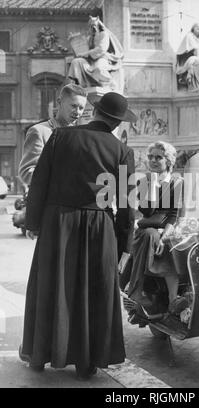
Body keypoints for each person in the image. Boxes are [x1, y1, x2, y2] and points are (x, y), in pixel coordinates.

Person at [19, 92, 136, 380]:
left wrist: (33, 223)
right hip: (100, 226)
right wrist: (124, 245)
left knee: (50, 286)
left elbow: (40, 184)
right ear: (118, 123)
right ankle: (87, 363)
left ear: (94, 111)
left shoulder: (60, 137)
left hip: (58, 223)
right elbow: (128, 205)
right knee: (92, 292)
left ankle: (38, 356)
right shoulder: (122, 151)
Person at [128, 141, 185, 313]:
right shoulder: (145, 181)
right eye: (151, 157)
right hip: (147, 230)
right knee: (151, 235)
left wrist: (165, 235)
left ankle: (174, 299)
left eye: (158, 157)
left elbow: (173, 215)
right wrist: (152, 184)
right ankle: (135, 291)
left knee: (174, 243)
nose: (153, 160)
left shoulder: (176, 182)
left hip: (167, 228)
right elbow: (147, 210)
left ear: (168, 161)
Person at [19, 83, 88, 186]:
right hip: (50, 200)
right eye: (73, 106)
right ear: (59, 102)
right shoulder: (39, 131)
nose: (77, 112)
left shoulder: (81, 135)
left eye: (81, 108)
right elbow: (26, 173)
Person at [68, 16, 124, 91]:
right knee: (76, 62)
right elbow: (81, 51)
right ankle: (79, 86)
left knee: (98, 69)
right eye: (91, 26)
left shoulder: (103, 34)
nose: (93, 28)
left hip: (103, 58)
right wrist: (73, 42)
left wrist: (86, 53)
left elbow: (101, 49)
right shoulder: (89, 38)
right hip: (90, 60)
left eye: (94, 26)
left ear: (98, 26)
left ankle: (110, 83)